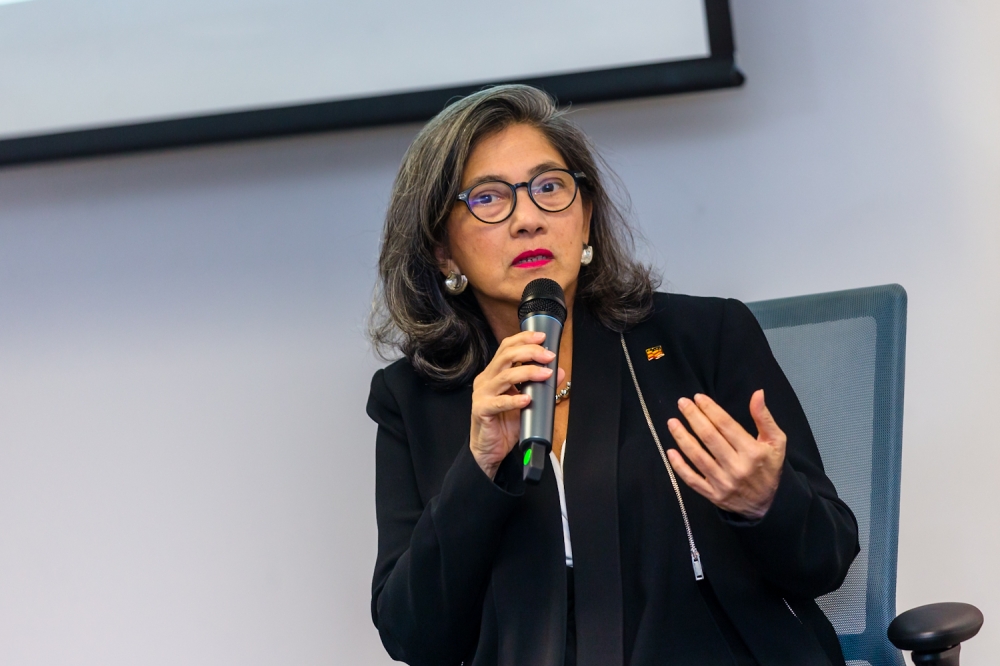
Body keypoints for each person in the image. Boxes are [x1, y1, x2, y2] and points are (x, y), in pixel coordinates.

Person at [366, 84, 859, 666]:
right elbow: (412, 635)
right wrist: (477, 471)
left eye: (549, 187)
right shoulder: (414, 399)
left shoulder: (703, 338)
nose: (528, 219)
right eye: (490, 199)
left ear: (587, 216)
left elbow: (827, 556)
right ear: (443, 252)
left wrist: (765, 502)